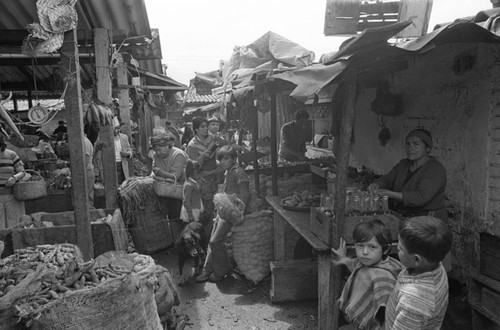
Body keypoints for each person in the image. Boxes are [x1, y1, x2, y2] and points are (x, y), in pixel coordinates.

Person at [331, 220, 402, 330]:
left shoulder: (383, 277)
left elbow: (386, 312)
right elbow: (355, 266)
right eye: (360, 246)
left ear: (386, 249)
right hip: (360, 323)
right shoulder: (364, 263)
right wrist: (343, 258)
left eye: (372, 247)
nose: (364, 252)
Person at [384, 216, 452, 330]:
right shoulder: (437, 266)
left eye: (400, 248)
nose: (397, 248)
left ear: (416, 260)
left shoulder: (413, 300)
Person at [367, 129, 447, 223]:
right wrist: (378, 184)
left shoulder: (434, 169)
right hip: (406, 216)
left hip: (428, 220)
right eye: (408, 144)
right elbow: (387, 179)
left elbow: (421, 197)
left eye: (416, 144)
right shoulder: (403, 164)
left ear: (428, 148)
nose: (410, 147)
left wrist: (389, 194)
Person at [196, 145, 249, 283]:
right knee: (211, 242)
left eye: (227, 159)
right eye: (221, 159)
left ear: (234, 159)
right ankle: (207, 271)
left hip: (232, 213)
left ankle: (222, 270)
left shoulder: (239, 172)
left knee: (215, 241)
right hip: (224, 211)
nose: (223, 162)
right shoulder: (227, 172)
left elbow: (244, 196)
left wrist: (230, 201)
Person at [185, 117, 219, 217]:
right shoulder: (192, 146)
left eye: (206, 126)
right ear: (196, 129)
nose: (206, 129)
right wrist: (203, 156)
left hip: (214, 179)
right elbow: (193, 167)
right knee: (206, 210)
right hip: (202, 181)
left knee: (216, 206)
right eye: (202, 127)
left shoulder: (212, 138)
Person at [151, 132, 188, 222]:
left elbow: (175, 176)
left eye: (160, 149)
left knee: (176, 215)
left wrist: (162, 174)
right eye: (156, 150)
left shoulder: (178, 155)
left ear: (168, 146)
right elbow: (155, 175)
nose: (158, 153)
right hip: (166, 190)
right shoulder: (157, 156)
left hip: (181, 191)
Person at [0, 135, 25, 229]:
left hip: (12, 197)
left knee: (14, 226)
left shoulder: (11, 154)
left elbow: (22, 172)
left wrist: (14, 178)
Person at [84, 134, 95, 209]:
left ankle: (89, 210)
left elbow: (86, 158)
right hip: (86, 170)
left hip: (87, 170)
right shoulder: (82, 141)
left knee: (87, 193)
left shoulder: (84, 142)